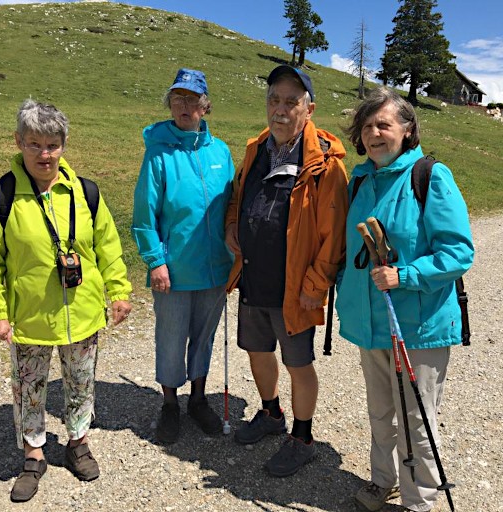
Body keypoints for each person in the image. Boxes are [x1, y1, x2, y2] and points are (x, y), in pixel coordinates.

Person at [0, 99, 133, 503]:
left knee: (81, 381)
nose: (44, 154)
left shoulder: (86, 192)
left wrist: (119, 291)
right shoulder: (0, 196)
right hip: (29, 317)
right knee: (29, 386)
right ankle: (33, 454)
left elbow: (107, 246)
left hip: (81, 313)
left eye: (52, 145)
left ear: (64, 144)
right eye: (34, 144)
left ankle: (77, 442)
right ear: (18, 142)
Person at [336, 87, 474, 511]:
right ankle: (383, 481)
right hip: (370, 323)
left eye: (384, 124)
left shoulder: (430, 176)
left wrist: (406, 275)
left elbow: (459, 252)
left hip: (418, 325)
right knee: (380, 412)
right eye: (368, 125)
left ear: (407, 129)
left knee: (416, 418)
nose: (375, 133)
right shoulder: (359, 179)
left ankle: (420, 500)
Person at [225, 65, 348, 477]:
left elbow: (334, 236)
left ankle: (303, 437)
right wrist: (231, 228)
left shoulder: (325, 162)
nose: (280, 110)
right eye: (273, 100)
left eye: (291, 102)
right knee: (257, 352)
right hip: (254, 277)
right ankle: (271, 413)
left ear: (308, 109)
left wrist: (316, 285)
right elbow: (237, 195)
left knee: (298, 363)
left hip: (296, 287)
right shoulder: (256, 148)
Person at [132, 68, 235, 444]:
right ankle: (170, 404)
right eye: (178, 99)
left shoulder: (221, 152)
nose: (184, 106)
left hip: (216, 270)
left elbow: (233, 208)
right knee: (172, 338)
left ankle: (198, 399)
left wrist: (235, 249)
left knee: (204, 337)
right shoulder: (158, 155)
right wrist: (156, 261)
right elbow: (144, 216)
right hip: (173, 271)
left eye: (192, 100)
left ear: (205, 107)